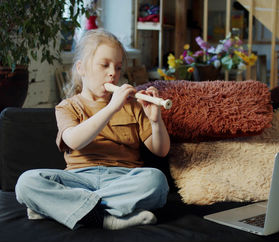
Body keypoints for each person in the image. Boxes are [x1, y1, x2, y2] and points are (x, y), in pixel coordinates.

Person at [15, 29, 170, 230]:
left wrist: (156, 120)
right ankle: (107, 219)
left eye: (118, 67)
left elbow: (162, 150)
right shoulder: (68, 107)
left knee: (156, 181)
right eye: (104, 65)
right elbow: (74, 141)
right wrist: (112, 108)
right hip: (78, 179)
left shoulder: (133, 106)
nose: (113, 73)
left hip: (123, 179)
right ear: (81, 68)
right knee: (26, 183)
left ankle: (62, 209)